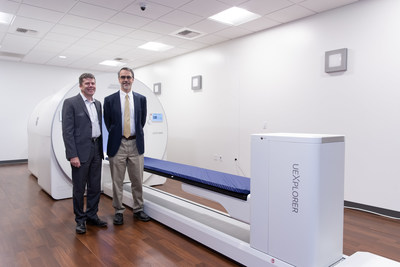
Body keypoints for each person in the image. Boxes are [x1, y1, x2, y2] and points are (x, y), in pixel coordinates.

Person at [62, 73, 107, 234]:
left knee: (95, 187)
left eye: (93, 83)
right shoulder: (71, 103)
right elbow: (67, 132)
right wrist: (72, 155)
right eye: (87, 83)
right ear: (80, 85)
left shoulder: (98, 104)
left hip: (96, 149)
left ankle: (92, 216)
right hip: (80, 152)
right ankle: (80, 220)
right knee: (79, 188)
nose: (91, 86)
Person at [104, 67, 150, 225]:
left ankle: (138, 209)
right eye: (123, 77)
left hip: (136, 144)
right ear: (118, 79)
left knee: (137, 179)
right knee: (117, 180)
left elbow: (141, 121)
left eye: (128, 77)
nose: (126, 80)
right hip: (118, 145)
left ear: (133, 79)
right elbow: (108, 122)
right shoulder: (109, 100)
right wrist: (120, 135)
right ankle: (118, 210)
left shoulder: (141, 99)